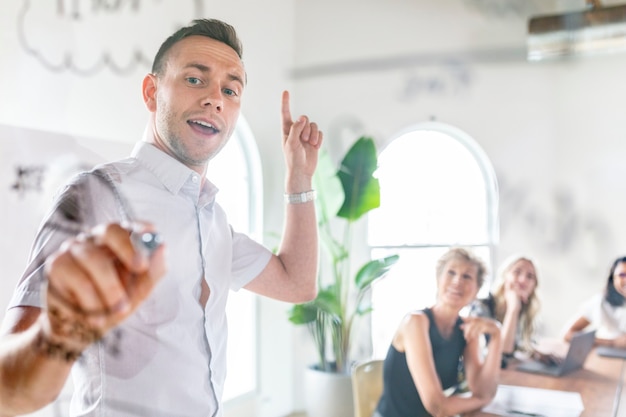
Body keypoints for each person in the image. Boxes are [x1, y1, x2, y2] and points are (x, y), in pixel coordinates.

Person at [0, 18, 322, 417]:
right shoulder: (96, 195)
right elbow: (7, 391)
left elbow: (297, 283)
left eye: (230, 89)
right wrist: (63, 327)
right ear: (152, 92)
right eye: (194, 79)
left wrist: (300, 179)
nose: (215, 99)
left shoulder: (214, 219)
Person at [374, 248, 502, 417]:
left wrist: (496, 334)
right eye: (451, 273)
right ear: (438, 279)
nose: (457, 281)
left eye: (467, 276)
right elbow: (437, 407)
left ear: (476, 290)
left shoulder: (465, 328)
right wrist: (483, 400)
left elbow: (482, 388)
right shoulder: (415, 322)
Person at [469, 254, 556, 366]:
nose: (522, 280)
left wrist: (535, 353)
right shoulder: (482, 307)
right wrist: (513, 308)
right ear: (505, 276)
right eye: (517, 272)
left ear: (534, 285)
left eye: (530, 276)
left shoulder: (525, 310)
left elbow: (518, 347)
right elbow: (502, 353)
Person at [564, 256, 626, 348]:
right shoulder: (601, 302)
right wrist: (612, 343)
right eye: (622, 275)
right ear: (613, 278)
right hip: (610, 359)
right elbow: (568, 335)